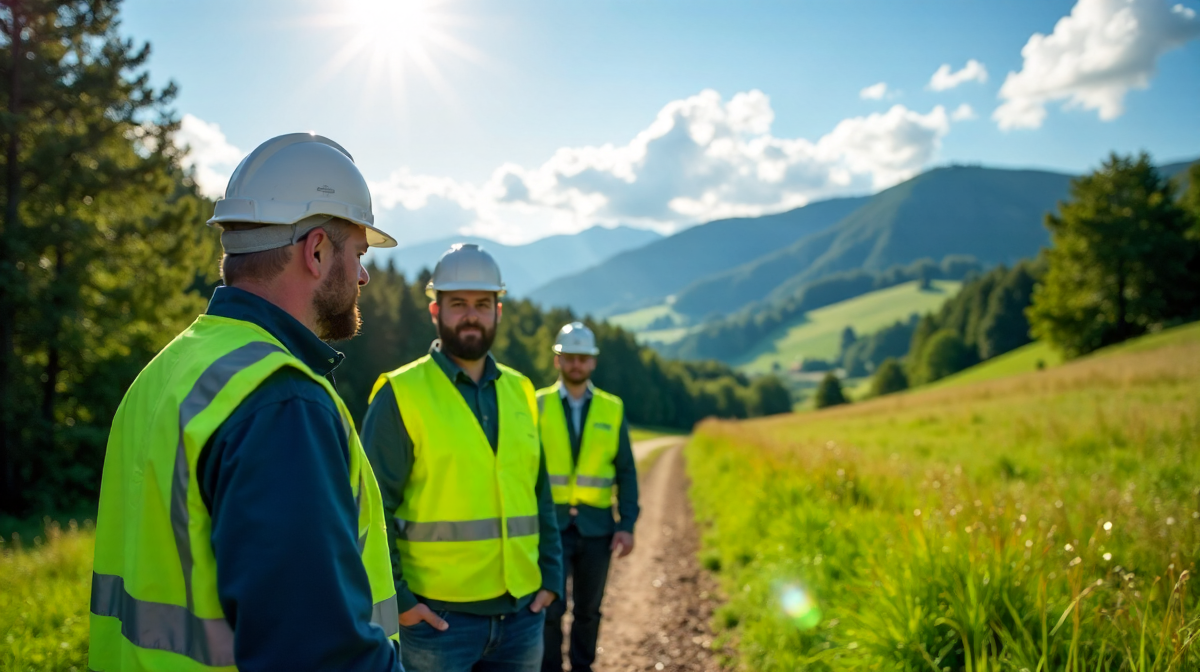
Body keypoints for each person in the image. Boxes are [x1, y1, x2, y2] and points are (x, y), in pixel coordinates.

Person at [88, 134, 402, 672]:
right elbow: (319, 654)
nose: (365, 275)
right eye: (359, 254)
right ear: (318, 250)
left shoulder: (165, 372)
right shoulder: (282, 402)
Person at [361, 243, 564, 672]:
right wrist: (401, 600)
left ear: (498, 311)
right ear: (435, 311)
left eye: (481, 304)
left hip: (522, 615)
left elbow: (539, 493)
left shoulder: (522, 390)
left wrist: (551, 577)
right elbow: (369, 509)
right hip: (437, 622)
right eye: (457, 304)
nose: (470, 315)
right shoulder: (400, 395)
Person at [538, 322, 640, 672]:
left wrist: (627, 524)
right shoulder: (535, 405)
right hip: (549, 529)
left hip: (598, 529)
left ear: (593, 362)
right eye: (570, 358)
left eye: (583, 358)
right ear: (557, 361)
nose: (576, 365)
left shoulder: (613, 408)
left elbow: (626, 470)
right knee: (550, 609)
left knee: (588, 611)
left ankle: (582, 667)